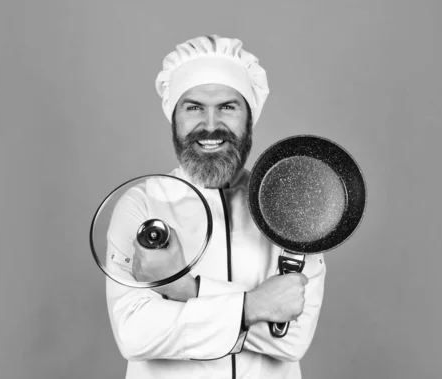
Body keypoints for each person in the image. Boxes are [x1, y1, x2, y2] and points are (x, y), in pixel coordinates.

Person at [105, 35, 327, 379]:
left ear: (249, 117)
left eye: (227, 106)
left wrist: (186, 291)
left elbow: (292, 341)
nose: (210, 125)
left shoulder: (292, 206)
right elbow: (135, 333)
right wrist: (254, 307)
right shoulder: (142, 205)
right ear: (174, 118)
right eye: (193, 107)